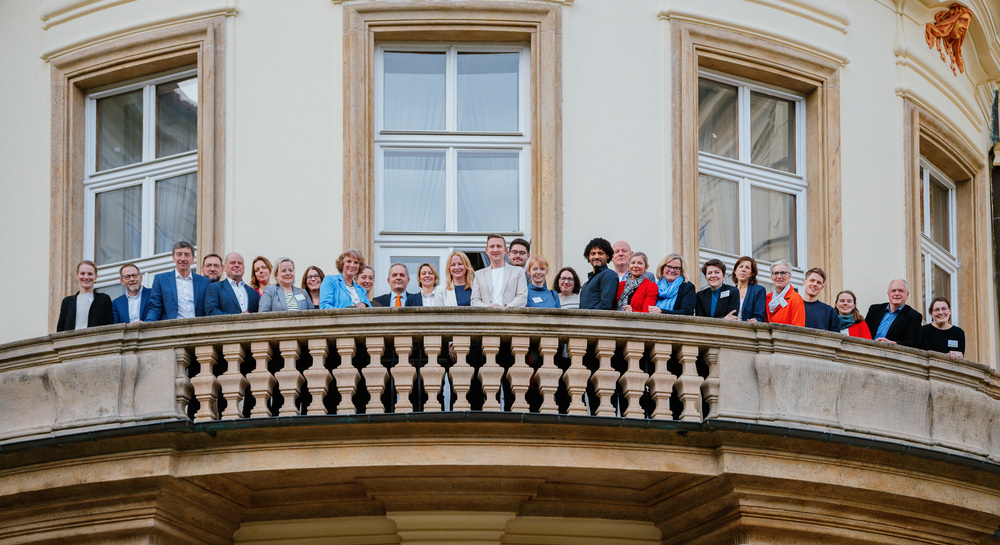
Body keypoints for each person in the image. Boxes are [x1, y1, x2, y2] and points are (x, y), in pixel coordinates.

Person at [147, 241, 210, 321]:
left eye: (187, 255)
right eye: (179, 254)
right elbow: (155, 308)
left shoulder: (204, 282)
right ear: (173, 258)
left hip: (198, 326)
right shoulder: (161, 280)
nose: (183, 259)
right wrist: (148, 323)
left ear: (192, 259)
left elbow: (209, 309)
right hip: (172, 327)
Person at [471, 234, 528, 308]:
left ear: (505, 250)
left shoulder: (518, 272)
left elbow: (522, 297)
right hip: (487, 315)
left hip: (510, 314)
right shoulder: (479, 275)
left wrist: (505, 308)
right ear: (487, 251)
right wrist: (490, 309)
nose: (495, 250)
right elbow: (474, 301)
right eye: (492, 246)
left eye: (499, 246)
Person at [56, 260, 113, 331]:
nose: (86, 277)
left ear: (96, 276)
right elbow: (60, 329)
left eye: (90, 274)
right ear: (77, 275)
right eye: (82, 273)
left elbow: (110, 326)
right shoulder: (67, 302)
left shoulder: (104, 299)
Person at [865, 279, 921, 348]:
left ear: (907, 294)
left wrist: (892, 343)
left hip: (892, 353)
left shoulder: (914, 316)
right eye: (893, 291)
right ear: (888, 294)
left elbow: (914, 343)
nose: (897, 294)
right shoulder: (874, 310)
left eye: (900, 290)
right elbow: (863, 333)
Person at [578, 237, 619, 310]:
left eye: (600, 253)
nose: (596, 257)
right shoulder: (586, 284)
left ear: (607, 256)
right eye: (593, 254)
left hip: (597, 317)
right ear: (589, 257)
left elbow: (605, 305)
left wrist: (589, 316)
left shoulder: (609, 274)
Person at [766, 259, 805, 326]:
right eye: (776, 273)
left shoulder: (796, 299)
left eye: (783, 273)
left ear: (789, 276)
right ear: (772, 277)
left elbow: (799, 327)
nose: (779, 277)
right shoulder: (767, 298)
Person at [801, 267, 840, 332]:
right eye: (812, 280)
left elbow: (835, 336)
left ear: (822, 287)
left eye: (818, 282)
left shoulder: (829, 312)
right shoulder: (794, 306)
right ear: (804, 282)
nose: (814, 284)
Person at [732, 256, 767, 322]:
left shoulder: (758, 290)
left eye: (747, 268)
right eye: (741, 266)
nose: (743, 270)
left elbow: (759, 317)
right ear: (735, 271)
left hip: (748, 327)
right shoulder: (729, 291)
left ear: (752, 273)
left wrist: (756, 320)